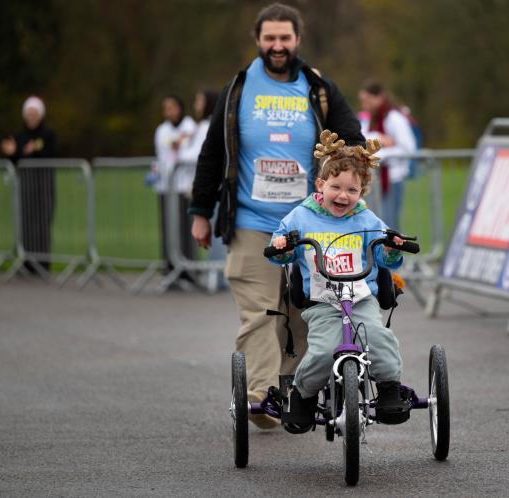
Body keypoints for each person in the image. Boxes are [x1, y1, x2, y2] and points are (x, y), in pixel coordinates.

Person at [189, 3, 364, 429]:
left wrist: (346, 183)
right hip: (252, 223)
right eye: (270, 38)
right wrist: (201, 211)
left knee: (304, 313)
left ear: (297, 39)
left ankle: (294, 393)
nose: (278, 45)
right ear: (258, 40)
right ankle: (261, 397)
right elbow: (212, 153)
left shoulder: (319, 89)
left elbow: (353, 140)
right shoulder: (238, 89)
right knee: (260, 313)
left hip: (312, 224)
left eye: (285, 37)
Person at [268, 130, 409, 431]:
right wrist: (282, 246)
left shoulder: (367, 220)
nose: (343, 196)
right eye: (336, 187)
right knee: (322, 350)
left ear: (361, 192)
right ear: (321, 184)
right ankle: (303, 395)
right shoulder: (301, 217)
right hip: (322, 301)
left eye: (352, 190)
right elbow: (280, 248)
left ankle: (388, 388)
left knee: (378, 337)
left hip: (360, 298)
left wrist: (391, 248)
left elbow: (384, 256)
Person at [0, 96, 57, 274]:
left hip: (43, 185)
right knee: (26, 223)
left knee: (42, 224)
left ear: (41, 115)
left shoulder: (48, 135)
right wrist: (11, 153)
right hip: (25, 186)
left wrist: (33, 151)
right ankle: (26, 264)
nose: (31, 117)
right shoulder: (20, 137)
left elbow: (50, 154)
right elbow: (16, 159)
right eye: (29, 114)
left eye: (34, 114)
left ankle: (42, 264)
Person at [179, 90, 227, 291]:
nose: (196, 104)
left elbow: (200, 154)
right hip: (203, 187)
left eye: (199, 100)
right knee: (211, 233)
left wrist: (181, 145)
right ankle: (213, 274)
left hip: (211, 188)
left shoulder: (208, 126)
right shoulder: (200, 126)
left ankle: (217, 276)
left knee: (215, 233)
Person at [357, 81, 417, 231]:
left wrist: (380, 153)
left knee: (389, 224)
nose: (364, 105)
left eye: (367, 100)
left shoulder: (395, 118)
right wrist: (379, 139)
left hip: (392, 178)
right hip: (373, 179)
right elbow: (361, 139)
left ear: (378, 98)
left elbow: (408, 148)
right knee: (373, 223)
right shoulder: (370, 119)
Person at [153, 95, 197, 280]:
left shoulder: (190, 125)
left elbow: (186, 147)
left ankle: (188, 269)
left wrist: (180, 142)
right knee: (168, 228)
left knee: (186, 228)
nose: (168, 111)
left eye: (172, 107)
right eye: (165, 108)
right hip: (166, 186)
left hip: (184, 186)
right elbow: (168, 148)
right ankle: (169, 266)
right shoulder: (162, 130)